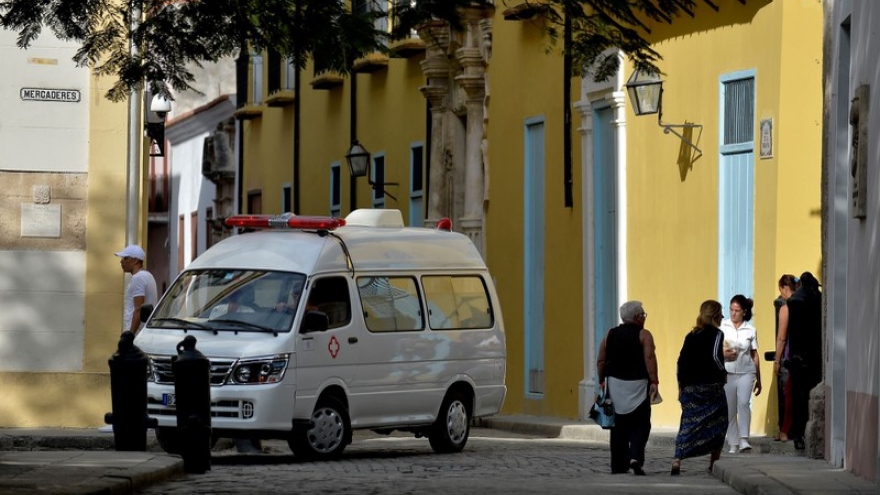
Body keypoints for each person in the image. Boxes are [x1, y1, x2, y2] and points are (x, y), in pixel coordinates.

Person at [671, 300, 734, 475]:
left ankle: (677, 460)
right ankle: (714, 462)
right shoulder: (717, 334)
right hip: (710, 387)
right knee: (720, 421)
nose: (722, 317)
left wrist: (681, 386)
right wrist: (723, 372)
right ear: (715, 315)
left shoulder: (691, 335)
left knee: (688, 423)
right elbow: (715, 356)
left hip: (690, 387)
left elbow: (681, 362)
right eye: (721, 314)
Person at [596, 300, 659, 476]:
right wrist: (654, 381)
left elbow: (601, 360)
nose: (644, 318)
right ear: (638, 317)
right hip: (638, 385)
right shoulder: (644, 334)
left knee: (618, 428)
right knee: (641, 424)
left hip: (615, 386)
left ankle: (618, 464)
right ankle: (635, 457)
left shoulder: (610, 334)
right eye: (643, 315)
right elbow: (649, 357)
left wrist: (602, 380)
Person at [777, 271, 822, 450]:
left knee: (797, 398)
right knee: (801, 396)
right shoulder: (817, 300)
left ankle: (798, 434)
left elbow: (785, 337)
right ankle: (800, 432)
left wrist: (780, 360)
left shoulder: (792, 303)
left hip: (797, 357)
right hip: (814, 356)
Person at [720, 295, 761, 454]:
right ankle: (733, 442)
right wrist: (723, 354)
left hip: (746, 372)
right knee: (730, 408)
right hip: (728, 372)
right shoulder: (723, 327)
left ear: (744, 312)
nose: (733, 313)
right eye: (731, 309)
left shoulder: (750, 330)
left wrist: (759, 378)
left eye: (737, 310)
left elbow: (754, 354)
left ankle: (744, 439)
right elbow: (716, 349)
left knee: (744, 403)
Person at [772, 274, 799, 442]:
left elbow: (781, 338)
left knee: (786, 396)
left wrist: (777, 360)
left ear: (783, 287)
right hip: (804, 357)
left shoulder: (785, 307)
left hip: (789, 358)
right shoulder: (804, 304)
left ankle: (784, 431)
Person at [115, 244, 158, 334]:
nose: (121, 262)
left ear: (135, 260)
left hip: (137, 335)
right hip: (143, 333)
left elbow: (138, 309)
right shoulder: (148, 275)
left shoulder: (138, 278)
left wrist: (130, 336)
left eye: (125, 258)